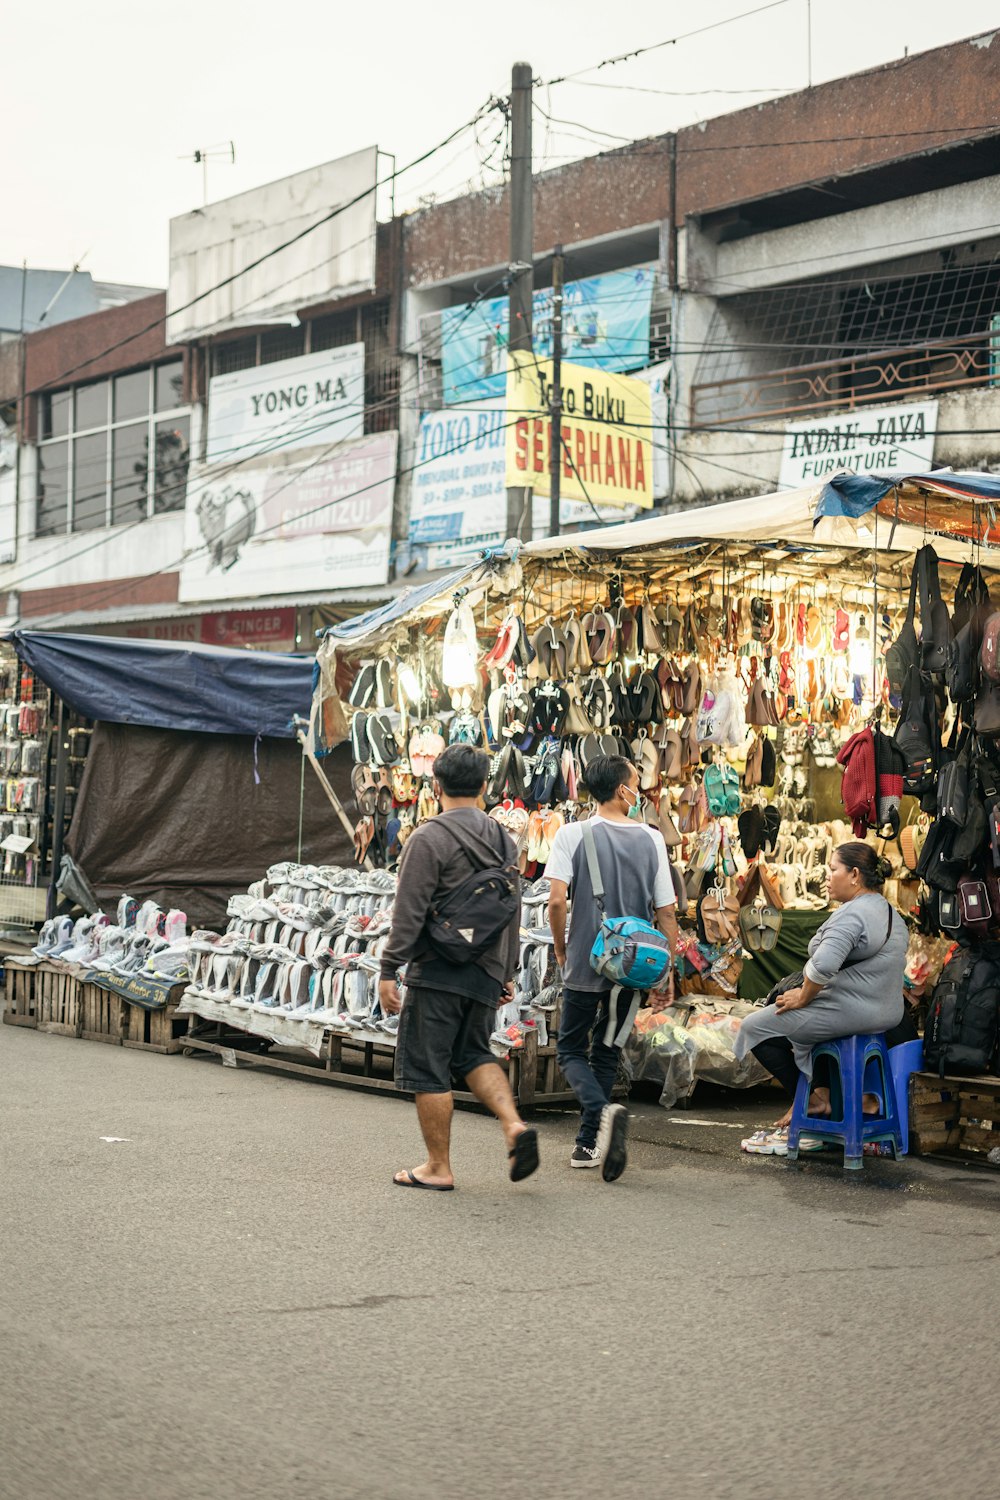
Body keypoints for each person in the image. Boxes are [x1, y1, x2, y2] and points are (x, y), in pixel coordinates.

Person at [379, 743, 539, 1191]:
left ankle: (438, 1167)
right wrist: (505, 971)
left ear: (435, 785)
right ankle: (513, 1124)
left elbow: (407, 913)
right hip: (486, 969)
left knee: (428, 1066)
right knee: (473, 1054)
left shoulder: (428, 838)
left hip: (439, 968)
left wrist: (390, 970)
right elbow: (513, 907)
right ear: (486, 787)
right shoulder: (503, 839)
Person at [546, 755, 678, 1180]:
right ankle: (589, 1144)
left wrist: (561, 949)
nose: (638, 789)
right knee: (606, 1050)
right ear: (622, 790)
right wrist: (667, 969)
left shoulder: (571, 834)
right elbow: (668, 912)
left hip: (589, 958)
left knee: (570, 1049)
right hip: (636, 964)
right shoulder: (652, 838)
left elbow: (555, 901)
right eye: (636, 782)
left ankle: (598, 1120)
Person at [735, 841, 908, 1156]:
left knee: (755, 1027)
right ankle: (823, 1096)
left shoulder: (853, 913)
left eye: (832, 870)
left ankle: (814, 1100)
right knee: (805, 1026)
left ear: (854, 874)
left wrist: (803, 996)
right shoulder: (890, 912)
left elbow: (824, 965)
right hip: (885, 1013)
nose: (827, 877)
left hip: (853, 1011)